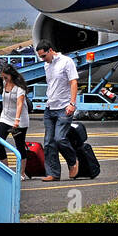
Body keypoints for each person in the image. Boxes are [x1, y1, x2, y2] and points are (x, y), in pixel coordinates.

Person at [35, 41, 79, 181]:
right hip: (50, 107)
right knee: (49, 142)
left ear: (51, 50)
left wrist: (72, 103)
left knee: (59, 139)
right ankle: (53, 173)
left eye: (43, 56)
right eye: (40, 57)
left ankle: (72, 161)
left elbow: (73, 82)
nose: (42, 59)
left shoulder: (66, 61)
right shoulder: (46, 65)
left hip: (64, 106)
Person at [0, 64, 30, 169]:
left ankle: (22, 172)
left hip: (19, 119)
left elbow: (20, 104)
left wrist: (17, 120)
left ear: (11, 75)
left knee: (20, 146)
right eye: (3, 77)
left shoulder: (19, 88)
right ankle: (6, 168)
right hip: (5, 117)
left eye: (6, 77)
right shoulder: (4, 83)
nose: (4, 79)